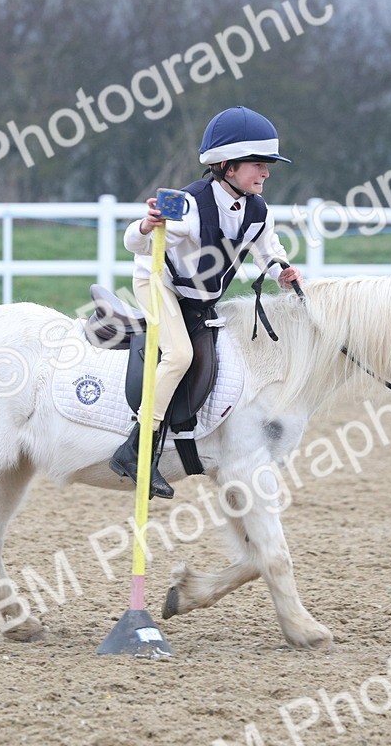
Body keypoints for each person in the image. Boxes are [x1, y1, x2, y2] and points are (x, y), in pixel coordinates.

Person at [110, 106, 304, 499]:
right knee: (179, 355)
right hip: (159, 285)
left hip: (201, 299)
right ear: (228, 166)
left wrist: (282, 272)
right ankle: (136, 447)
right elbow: (135, 242)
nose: (266, 173)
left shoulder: (258, 210)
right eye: (258, 164)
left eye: (267, 165)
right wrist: (147, 225)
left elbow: (269, 252)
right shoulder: (187, 204)